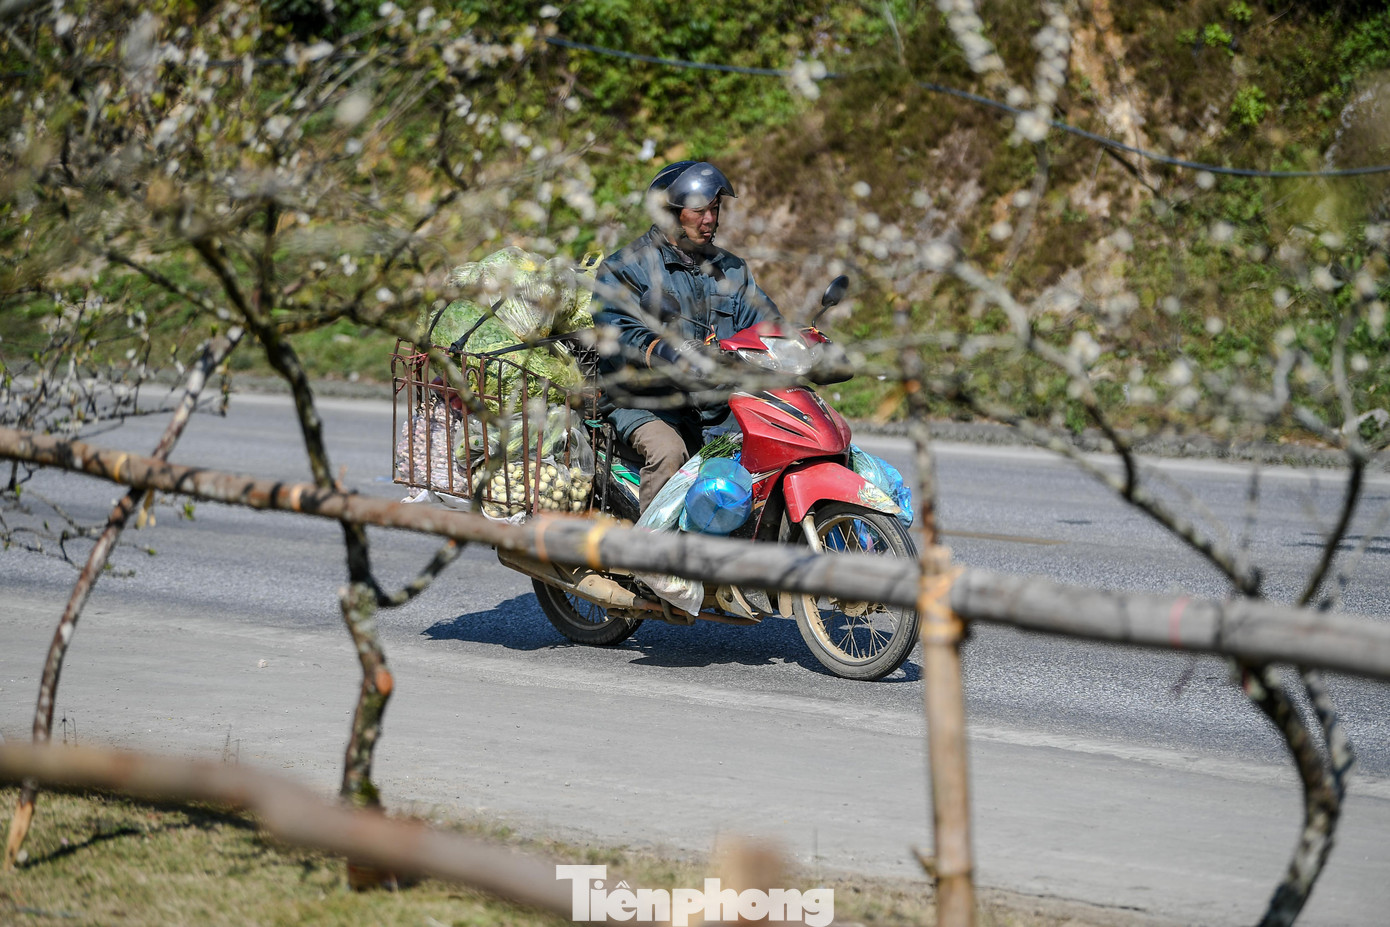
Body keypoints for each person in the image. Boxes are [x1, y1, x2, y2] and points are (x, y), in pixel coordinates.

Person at [591, 160, 783, 512]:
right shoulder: (625, 268)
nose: (709, 219)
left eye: (715, 209)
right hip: (645, 403)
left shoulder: (732, 271)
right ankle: (653, 546)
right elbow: (618, 333)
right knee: (669, 453)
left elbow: (765, 324)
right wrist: (667, 352)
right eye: (698, 211)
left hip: (717, 407)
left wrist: (800, 348)